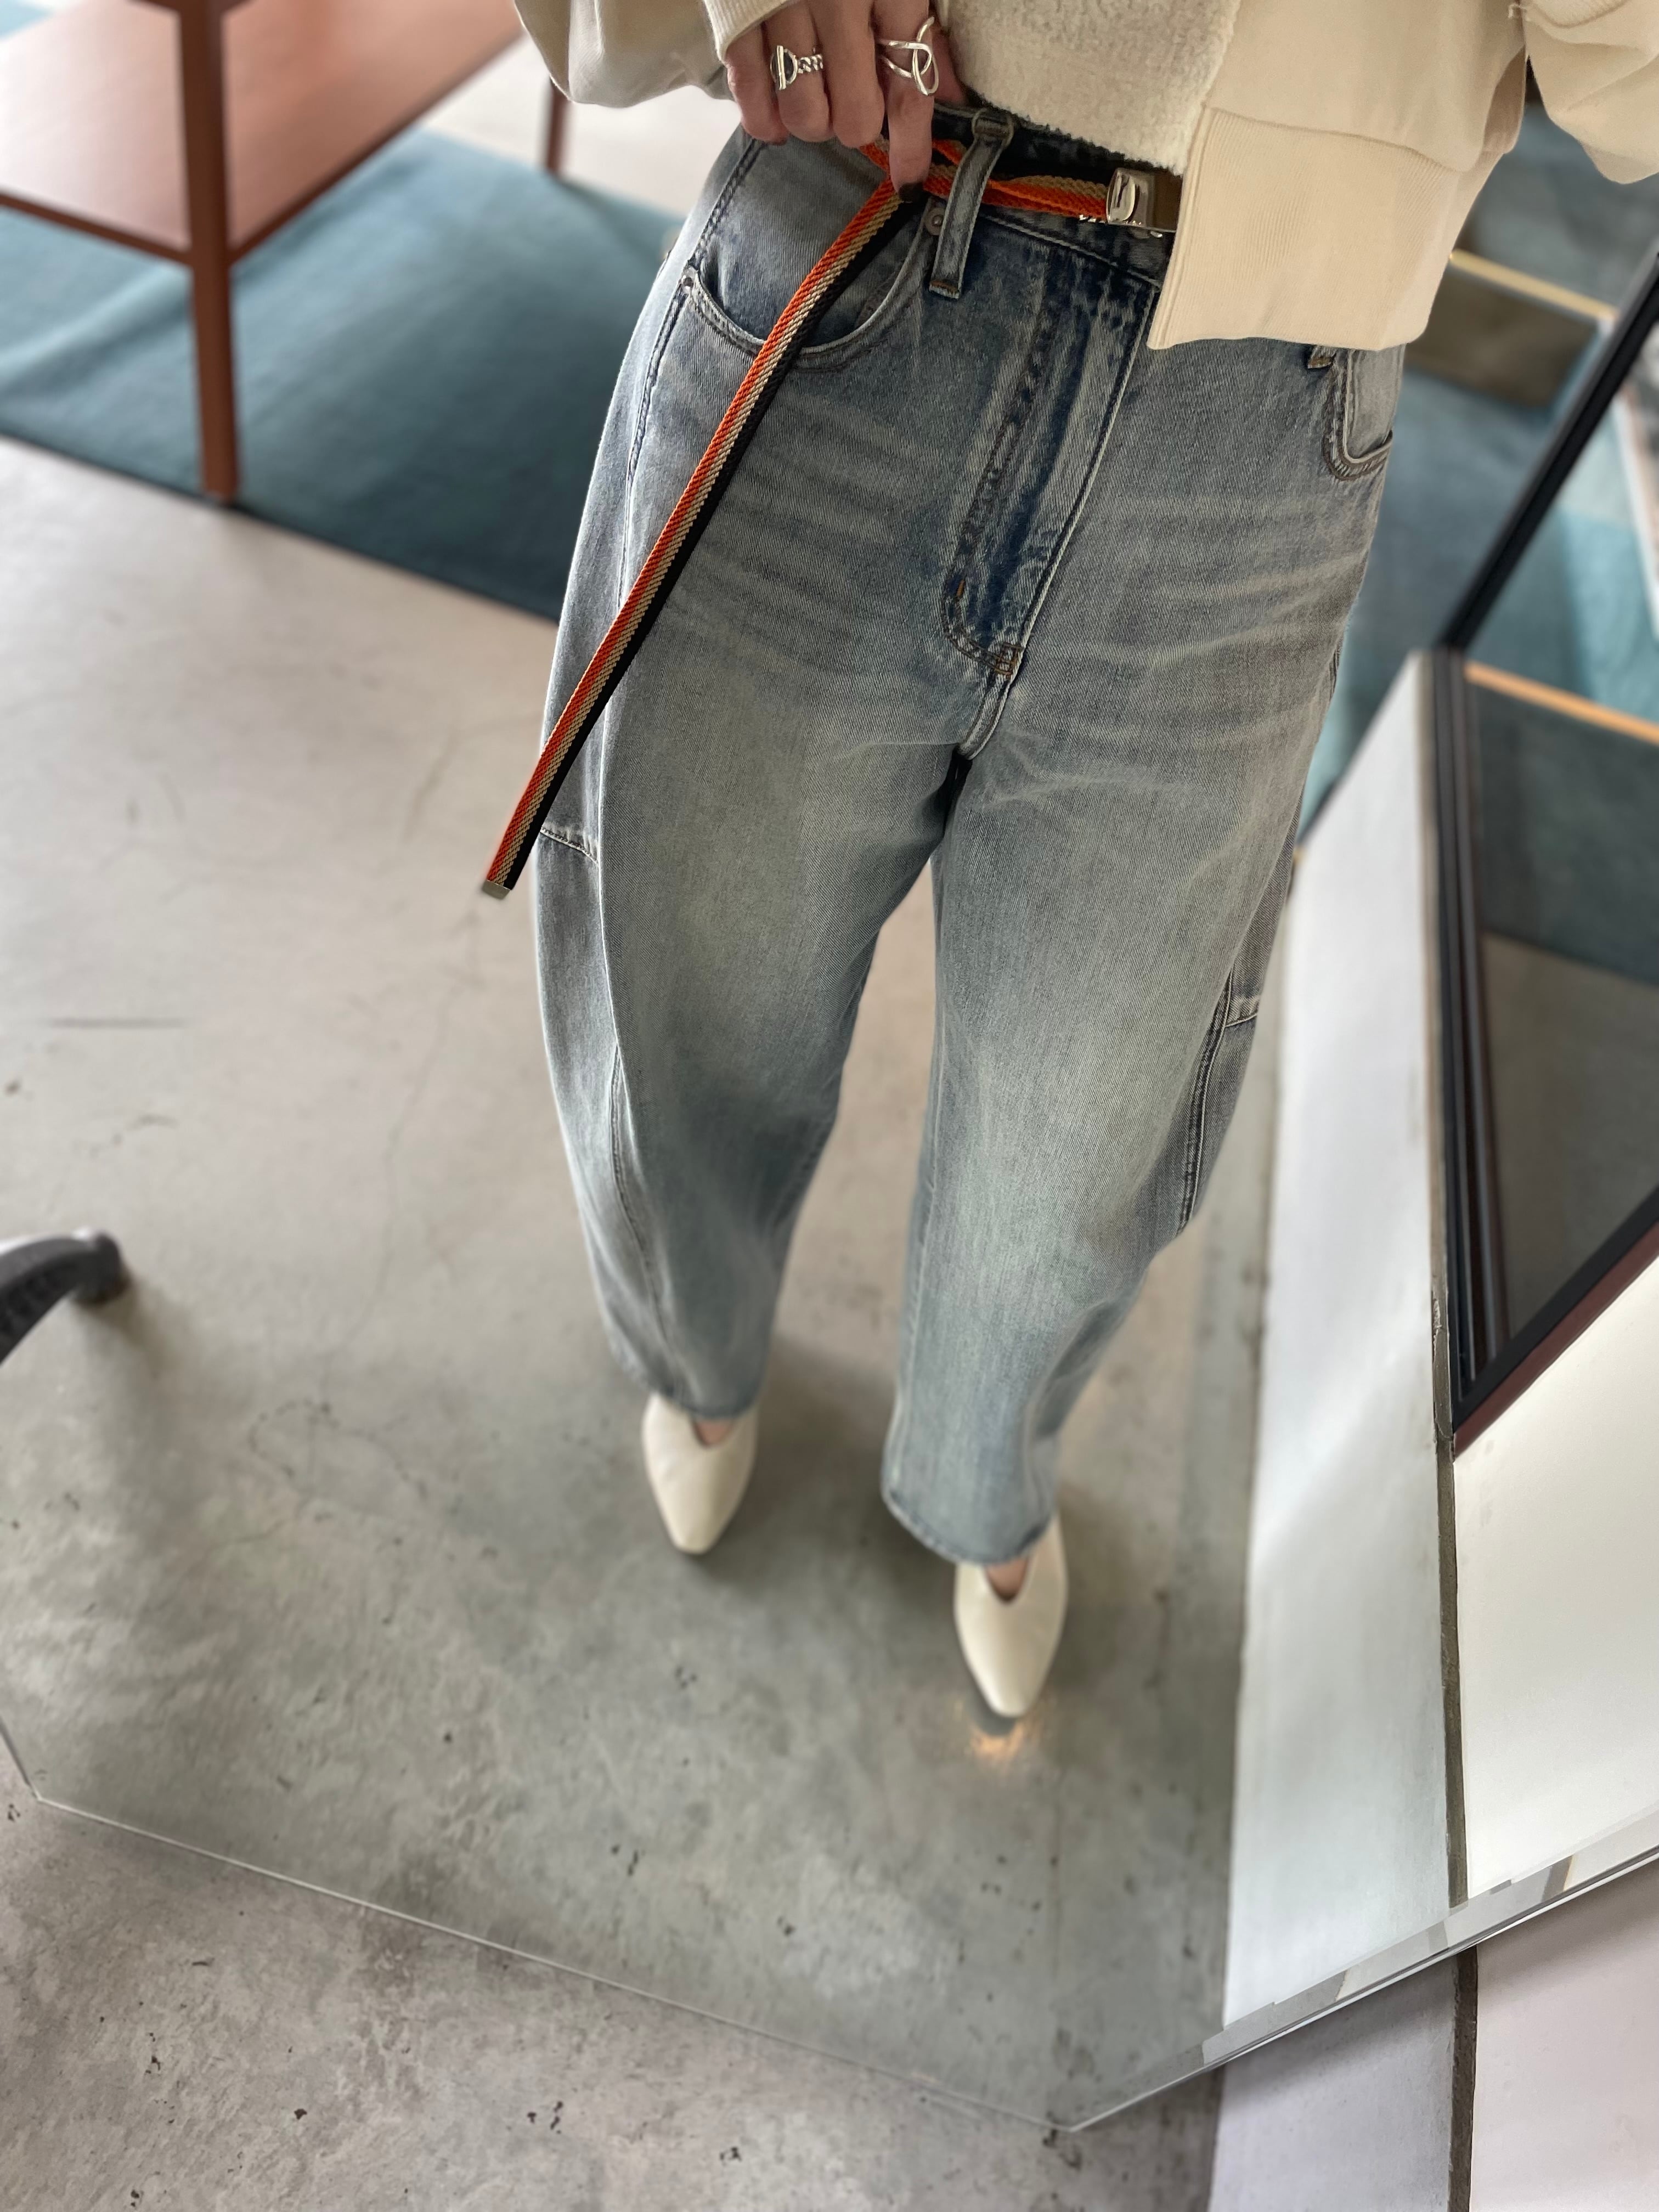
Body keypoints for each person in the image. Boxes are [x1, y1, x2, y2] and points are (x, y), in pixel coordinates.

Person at [507, 0, 1659, 1716]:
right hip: (856, 216)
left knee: (1079, 1141)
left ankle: (986, 1481)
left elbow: (1635, 96)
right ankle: (696, 1356)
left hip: (1263, 406)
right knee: (687, 990)